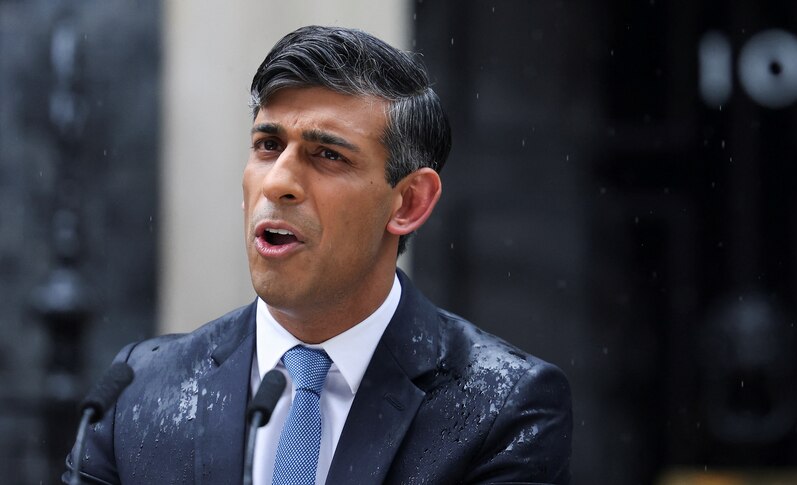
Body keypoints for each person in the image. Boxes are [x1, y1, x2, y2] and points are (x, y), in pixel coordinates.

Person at [63, 25, 572, 484]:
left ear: (409, 202)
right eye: (267, 145)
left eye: (327, 155)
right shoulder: (137, 389)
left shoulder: (505, 405)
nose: (278, 181)